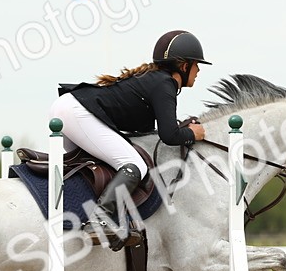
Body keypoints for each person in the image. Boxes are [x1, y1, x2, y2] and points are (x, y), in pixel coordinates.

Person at [49, 29, 210, 251]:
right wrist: (194, 133)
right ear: (183, 66)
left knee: (94, 169)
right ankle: (99, 219)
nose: (199, 70)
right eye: (196, 64)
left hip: (68, 109)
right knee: (135, 166)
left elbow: (150, 133)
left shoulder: (155, 80)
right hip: (77, 113)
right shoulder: (165, 84)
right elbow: (169, 135)